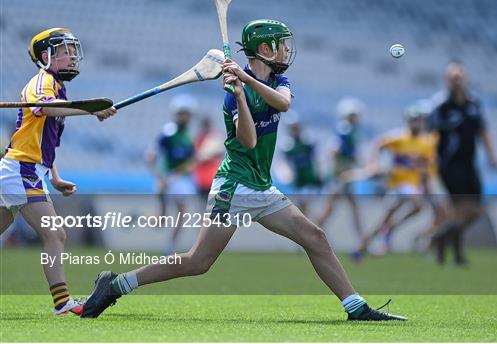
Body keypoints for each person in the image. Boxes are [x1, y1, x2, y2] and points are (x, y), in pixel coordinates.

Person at [81, 19, 406, 321]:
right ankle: (115, 285)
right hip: (234, 187)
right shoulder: (233, 96)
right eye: (280, 45)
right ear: (264, 49)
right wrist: (239, 94)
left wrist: (246, 79)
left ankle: (356, 307)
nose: (285, 51)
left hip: (262, 186)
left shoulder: (279, 80)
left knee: (315, 237)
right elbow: (248, 142)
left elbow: (284, 104)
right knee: (198, 262)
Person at [0, 28, 116, 315]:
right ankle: (63, 304)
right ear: (46, 56)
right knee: (56, 234)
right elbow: (47, 109)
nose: (73, 55)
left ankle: (62, 303)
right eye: (66, 51)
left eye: (73, 50)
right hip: (20, 170)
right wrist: (89, 110)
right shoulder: (42, 82)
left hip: (28, 170)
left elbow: (43, 140)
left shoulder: (58, 88)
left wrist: (54, 176)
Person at [430, 62, 497, 265]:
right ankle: (457, 255)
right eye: (452, 77)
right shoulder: (440, 106)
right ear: (446, 80)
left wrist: (492, 155)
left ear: (465, 78)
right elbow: (429, 136)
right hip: (450, 166)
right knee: (460, 209)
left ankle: (440, 236)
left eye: (459, 76)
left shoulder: (474, 104)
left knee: (476, 211)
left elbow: (483, 131)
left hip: (469, 164)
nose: (456, 80)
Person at [349, 105, 437, 261]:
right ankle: (365, 245)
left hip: (412, 186)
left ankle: (365, 245)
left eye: (418, 120)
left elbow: (426, 167)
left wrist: (426, 184)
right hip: (398, 184)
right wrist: (372, 163)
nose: (415, 123)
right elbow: (379, 144)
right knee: (392, 216)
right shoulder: (400, 137)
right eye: (413, 120)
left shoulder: (427, 142)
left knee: (394, 217)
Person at [146, 95, 197, 254]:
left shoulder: (188, 135)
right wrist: (160, 177)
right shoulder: (169, 132)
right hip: (168, 178)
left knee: (182, 213)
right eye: (183, 113)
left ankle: (170, 246)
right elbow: (152, 156)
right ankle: (139, 216)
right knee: (160, 220)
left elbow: (192, 159)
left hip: (181, 179)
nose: (185, 117)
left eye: (187, 114)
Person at [315, 98, 364, 246]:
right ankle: (310, 235)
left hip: (344, 175)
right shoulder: (346, 129)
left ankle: (363, 241)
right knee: (330, 209)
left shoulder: (348, 130)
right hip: (342, 175)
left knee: (340, 207)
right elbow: (334, 150)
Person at [281, 112, 322, 216]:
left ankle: (308, 227)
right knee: (300, 205)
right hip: (297, 179)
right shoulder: (287, 145)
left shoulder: (307, 141)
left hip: (309, 176)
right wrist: (287, 173)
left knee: (305, 204)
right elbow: (285, 162)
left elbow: (316, 158)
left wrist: (319, 173)